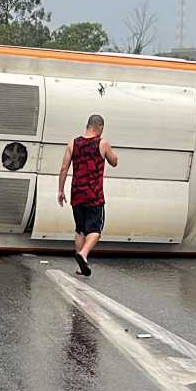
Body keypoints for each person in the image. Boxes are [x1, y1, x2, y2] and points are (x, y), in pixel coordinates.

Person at [58, 114, 119, 277]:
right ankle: (83, 254)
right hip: (94, 195)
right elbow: (114, 161)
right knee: (95, 230)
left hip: (77, 193)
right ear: (100, 127)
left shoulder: (73, 143)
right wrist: (112, 153)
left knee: (80, 231)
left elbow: (64, 167)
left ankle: (80, 266)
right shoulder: (102, 143)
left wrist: (60, 190)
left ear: (87, 126)